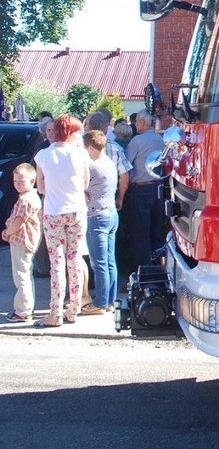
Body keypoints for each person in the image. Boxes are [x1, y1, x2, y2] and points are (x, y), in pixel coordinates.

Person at [34, 113, 90, 328]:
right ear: (71, 132)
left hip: (53, 212)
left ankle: (54, 313)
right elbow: (85, 184)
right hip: (76, 210)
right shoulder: (80, 154)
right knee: (74, 260)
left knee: (56, 263)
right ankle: (73, 308)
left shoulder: (43, 156)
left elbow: (40, 187)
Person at [81, 130, 119, 314]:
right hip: (111, 214)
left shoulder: (92, 167)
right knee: (110, 261)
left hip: (96, 217)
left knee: (99, 263)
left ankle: (100, 303)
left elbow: (81, 187)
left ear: (90, 147)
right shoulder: (109, 163)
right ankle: (110, 300)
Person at [123, 111, 165, 267]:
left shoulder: (137, 141)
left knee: (140, 234)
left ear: (142, 123)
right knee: (156, 232)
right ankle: (158, 269)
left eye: (136, 122)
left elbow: (125, 164)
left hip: (140, 190)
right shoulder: (160, 140)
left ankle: (144, 273)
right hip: (158, 188)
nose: (134, 124)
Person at [2, 162, 42, 323]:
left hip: (21, 241)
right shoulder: (32, 196)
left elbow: (18, 222)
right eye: (15, 181)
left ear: (32, 181)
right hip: (27, 242)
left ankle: (22, 311)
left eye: (22, 181)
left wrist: (7, 232)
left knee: (21, 276)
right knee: (26, 274)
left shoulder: (25, 200)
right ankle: (27, 307)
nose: (17, 184)